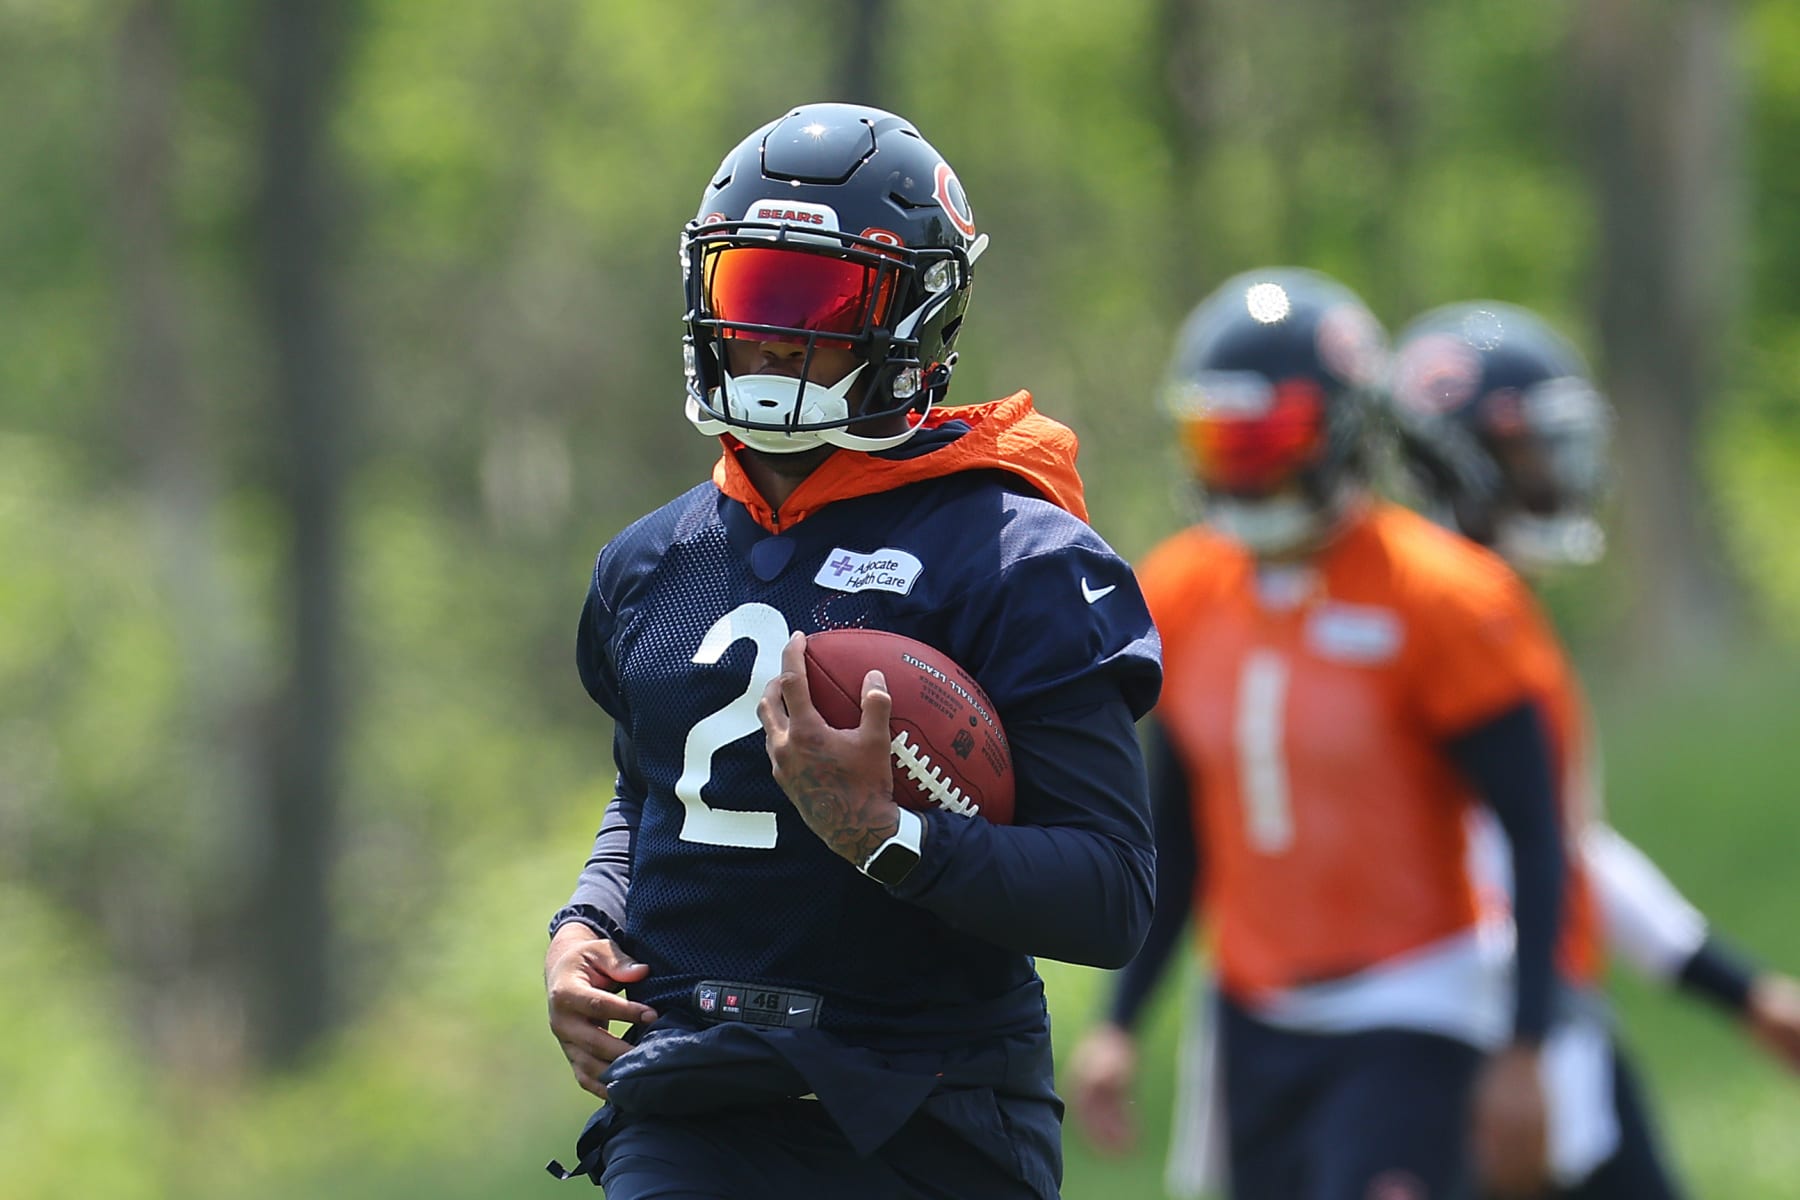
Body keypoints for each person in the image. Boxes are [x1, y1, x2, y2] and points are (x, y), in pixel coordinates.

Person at [540, 102, 1163, 1200]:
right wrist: (584, 926)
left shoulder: (1020, 557)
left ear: (918, 308)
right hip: (695, 1104)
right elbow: (654, 793)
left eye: (819, 299)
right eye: (752, 291)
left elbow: (1110, 894)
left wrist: (887, 838)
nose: (773, 334)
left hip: (932, 1113)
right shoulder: (648, 563)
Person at [1066, 267, 1571, 1199]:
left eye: (1267, 436)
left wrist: (1528, 1045)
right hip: (1253, 1012)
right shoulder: (1180, 589)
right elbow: (1176, 837)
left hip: (1414, 998)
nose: (1241, 465)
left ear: (1341, 430)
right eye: (1219, 437)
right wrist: (1120, 1019)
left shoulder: (1446, 597)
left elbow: (1538, 832)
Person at [1388, 300, 1800, 1198]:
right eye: (1532, 447)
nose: (1558, 470)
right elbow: (1510, 858)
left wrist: (1738, 992)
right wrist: (1523, 1045)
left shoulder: (1479, 609)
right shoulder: (1442, 622)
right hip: (1491, 1031)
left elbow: (1563, 846)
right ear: (1464, 458)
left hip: (1534, 1021)